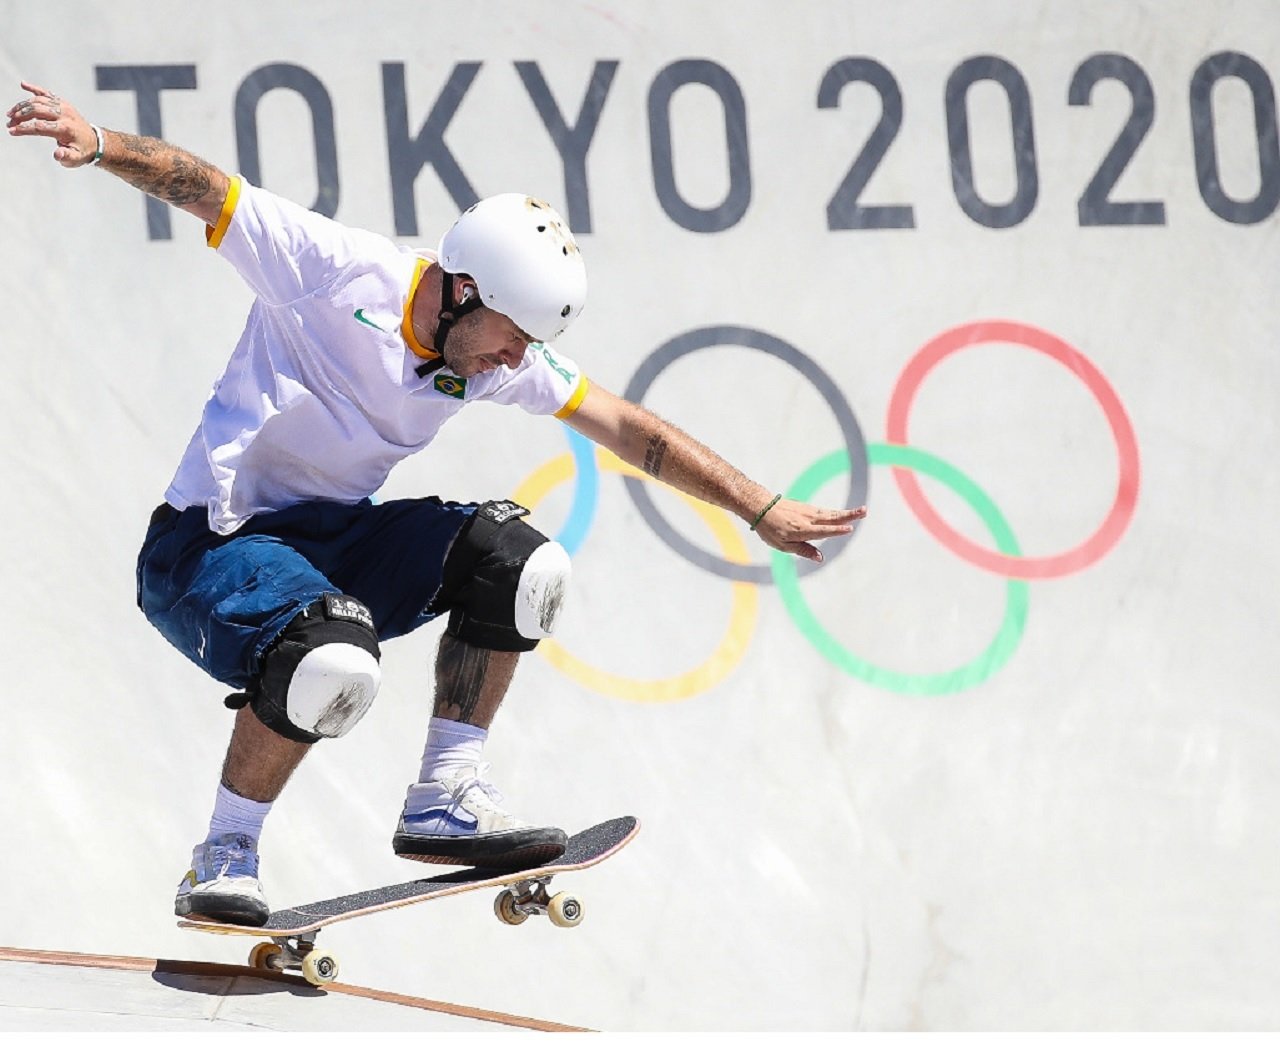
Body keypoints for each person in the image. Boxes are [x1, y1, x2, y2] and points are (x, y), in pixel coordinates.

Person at [8, 79, 867, 927]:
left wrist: (760, 508)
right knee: (333, 654)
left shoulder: (496, 350)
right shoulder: (335, 270)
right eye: (509, 337)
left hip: (330, 541)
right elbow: (206, 188)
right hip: (207, 549)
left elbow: (627, 426)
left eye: (529, 347)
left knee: (519, 562)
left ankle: (444, 795)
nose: (513, 360)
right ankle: (226, 852)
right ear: (461, 288)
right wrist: (103, 145)